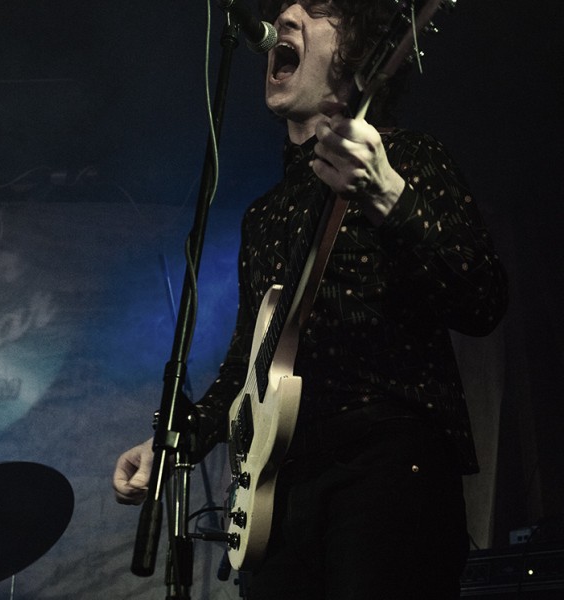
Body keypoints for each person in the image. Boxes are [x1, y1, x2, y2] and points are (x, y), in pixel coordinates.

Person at [113, 1, 508, 598]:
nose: (288, 15)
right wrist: (171, 444)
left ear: (358, 54)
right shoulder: (263, 216)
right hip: (279, 495)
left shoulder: (410, 157)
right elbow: (246, 370)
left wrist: (388, 194)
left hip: (387, 471)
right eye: (285, 5)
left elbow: (483, 299)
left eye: (317, 9)